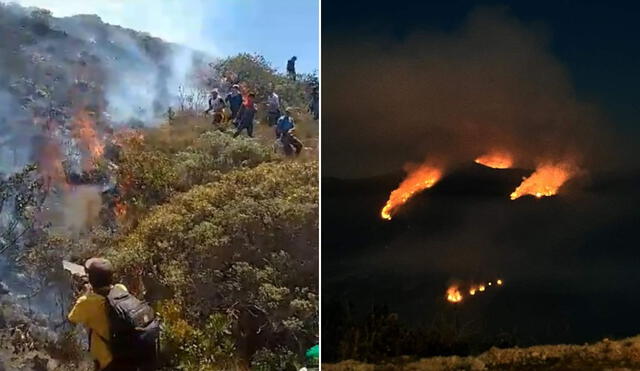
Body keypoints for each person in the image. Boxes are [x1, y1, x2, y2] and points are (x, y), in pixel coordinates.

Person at [68, 258, 158, 371]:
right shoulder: (120, 289)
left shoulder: (86, 302)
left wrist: (86, 290)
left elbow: (72, 318)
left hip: (108, 362)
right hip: (129, 357)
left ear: (91, 279)